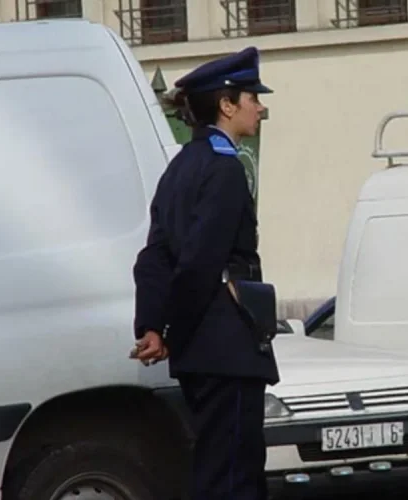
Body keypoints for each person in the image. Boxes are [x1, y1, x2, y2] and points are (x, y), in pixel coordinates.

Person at [129, 46, 280, 500]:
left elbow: (154, 258)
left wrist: (152, 324)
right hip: (225, 345)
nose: (260, 106)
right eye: (251, 96)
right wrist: (173, 329)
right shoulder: (225, 169)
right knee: (234, 474)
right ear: (226, 104)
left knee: (216, 466)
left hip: (202, 350)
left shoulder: (178, 169)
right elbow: (200, 261)